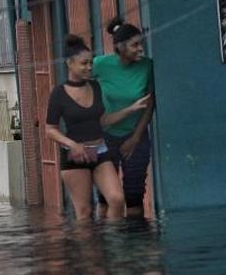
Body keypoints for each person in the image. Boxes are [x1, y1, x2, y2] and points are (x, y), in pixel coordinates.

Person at [45, 34, 150, 221]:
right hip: (75, 156)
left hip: (100, 151)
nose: (89, 67)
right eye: (84, 63)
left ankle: (112, 239)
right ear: (70, 63)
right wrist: (72, 144)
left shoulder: (95, 87)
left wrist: (131, 109)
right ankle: (88, 241)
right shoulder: (58, 94)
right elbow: (50, 129)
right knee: (85, 212)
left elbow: (103, 120)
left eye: (91, 63)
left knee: (117, 200)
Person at [93, 18, 155, 218]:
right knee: (106, 197)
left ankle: (136, 236)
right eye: (135, 45)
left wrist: (135, 138)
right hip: (105, 137)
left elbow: (149, 104)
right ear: (120, 47)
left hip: (136, 137)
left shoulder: (147, 66)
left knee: (134, 196)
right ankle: (103, 235)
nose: (140, 49)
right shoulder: (101, 64)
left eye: (141, 44)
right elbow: (77, 80)